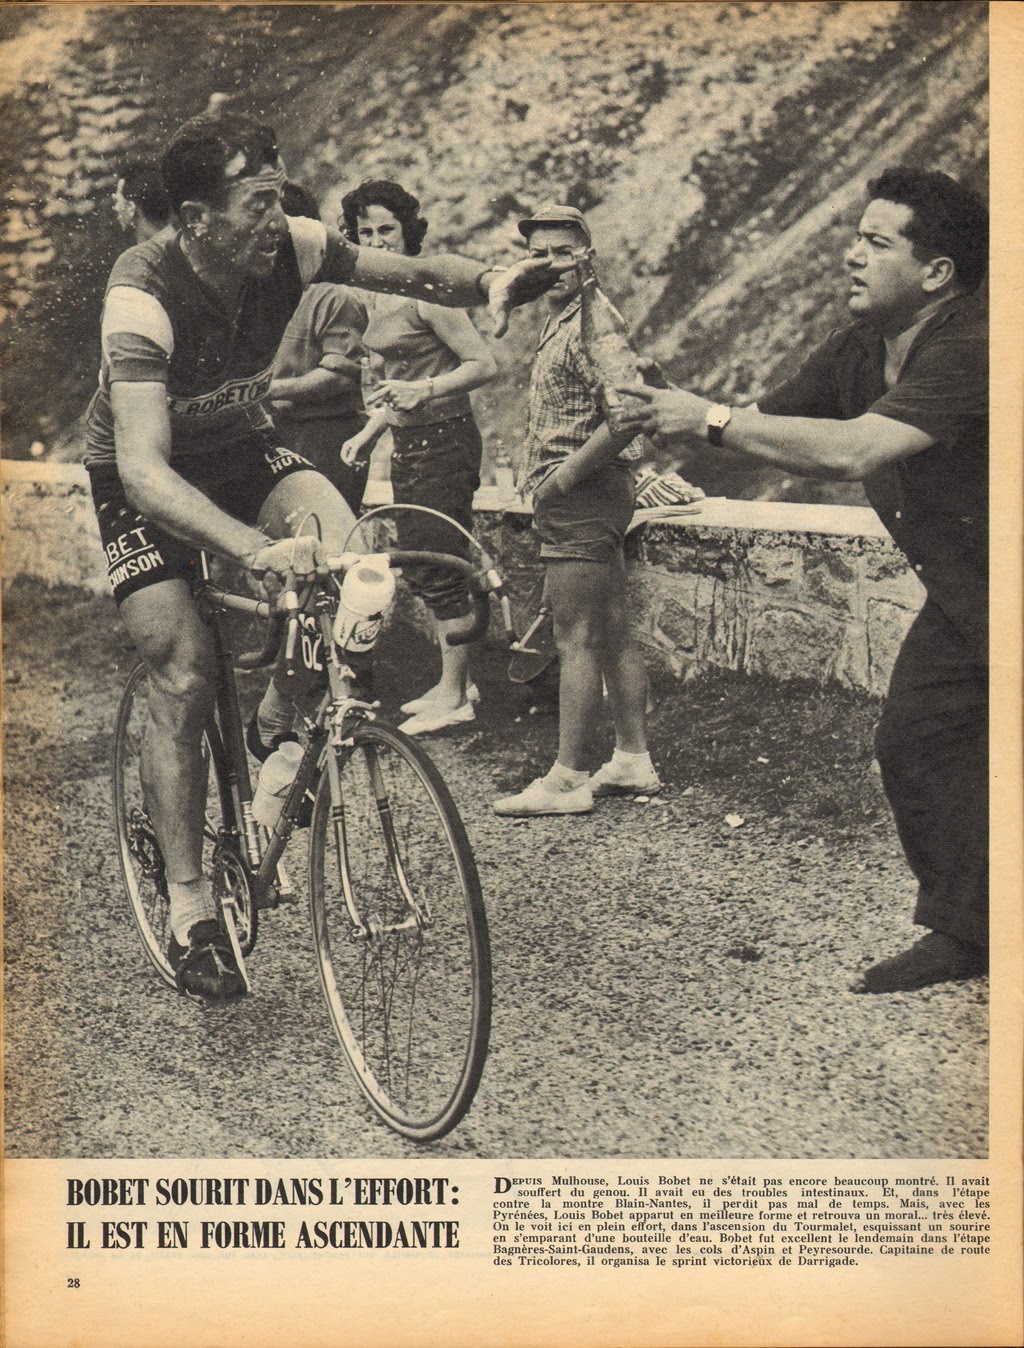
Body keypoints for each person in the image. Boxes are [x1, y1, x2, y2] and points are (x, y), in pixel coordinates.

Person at [82, 111, 560, 1001]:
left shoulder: (292, 247)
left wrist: (491, 278)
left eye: (278, 194)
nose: (278, 218)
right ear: (195, 218)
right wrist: (255, 550)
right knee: (180, 667)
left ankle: (276, 726)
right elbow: (146, 471)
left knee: (360, 571)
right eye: (256, 202)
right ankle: (191, 911)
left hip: (238, 446)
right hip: (140, 472)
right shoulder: (141, 293)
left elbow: (418, 272)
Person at [620, 167, 988, 993]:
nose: (851, 255)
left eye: (875, 242)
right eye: (854, 237)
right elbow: (778, 425)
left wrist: (708, 418)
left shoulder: (977, 340)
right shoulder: (862, 346)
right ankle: (968, 932)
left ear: (937, 272)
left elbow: (856, 449)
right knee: (918, 742)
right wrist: (674, 404)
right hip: (974, 597)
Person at [493, 205, 661, 817]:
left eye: (564, 252)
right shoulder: (563, 316)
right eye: (540, 255)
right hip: (587, 496)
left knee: (575, 636)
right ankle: (632, 757)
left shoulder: (594, 320)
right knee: (612, 629)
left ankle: (568, 778)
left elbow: (628, 415)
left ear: (588, 254)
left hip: (584, 497)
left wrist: (559, 479)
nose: (552, 265)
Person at [337, 180, 498, 735]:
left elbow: (484, 364)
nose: (377, 241)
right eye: (365, 233)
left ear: (408, 233)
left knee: (437, 564)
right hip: (410, 441)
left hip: (446, 440)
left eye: (387, 230)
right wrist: (373, 431)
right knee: (428, 563)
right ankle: (456, 683)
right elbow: (402, 382)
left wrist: (425, 394)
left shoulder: (429, 291)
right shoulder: (376, 296)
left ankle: (457, 695)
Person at [266, 182, 371, 513]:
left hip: (325, 436)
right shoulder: (263, 295)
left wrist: (266, 390)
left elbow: (340, 376)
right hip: (276, 433)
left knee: (326, 535)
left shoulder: (334, 296)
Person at [112, 160, 172, 244]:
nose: (116, 208)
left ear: (131, 208)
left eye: (117, 201)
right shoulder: (180, 243)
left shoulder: (134, 255)